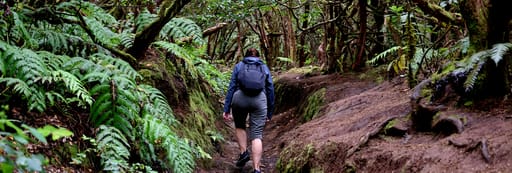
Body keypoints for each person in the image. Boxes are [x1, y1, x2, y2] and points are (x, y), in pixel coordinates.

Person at [223, 48, 275, 173]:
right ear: (259, 57)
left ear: (245, 56)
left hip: (239, 98)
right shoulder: (264, 67)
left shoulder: (239, 66)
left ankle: (243, 153)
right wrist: (270, 110)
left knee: (240, 126)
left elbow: (232, 87)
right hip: (259, 100)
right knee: (256, 135)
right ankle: (256, 169)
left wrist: (227, 108)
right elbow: (270, 89)